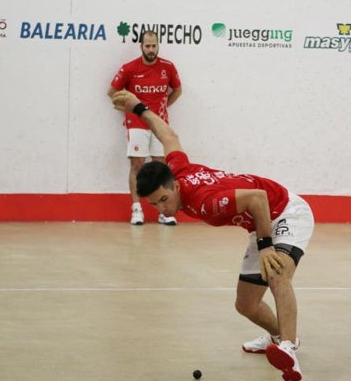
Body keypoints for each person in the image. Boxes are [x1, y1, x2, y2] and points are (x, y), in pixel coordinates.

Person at [112, 90, 314, 381]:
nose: (163, 210)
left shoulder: (205, 201)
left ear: (176, 188)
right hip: (260, 222)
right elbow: (169, 135)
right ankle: (276, 336)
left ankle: (289, 351)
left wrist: (266, 246)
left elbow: (258, 198)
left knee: (277, 273)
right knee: (246, 304)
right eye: (154, 204)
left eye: (163, 200)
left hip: (285, 211)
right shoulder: (178, 169)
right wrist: (138, 107)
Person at [107, 30, 182, 226]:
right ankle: (136, 209)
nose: (151, 49)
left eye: (154, 46)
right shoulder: (130, 68)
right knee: (137, 165)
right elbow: (112, 91)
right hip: (137, 123)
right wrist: (132, 110)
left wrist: (163, 108)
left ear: (158, 45)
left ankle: (164, 213)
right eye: (147, 46)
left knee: (161, 166)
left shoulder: (168, 67)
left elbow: (177, 90)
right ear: (141, 46)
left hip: (160, 124)